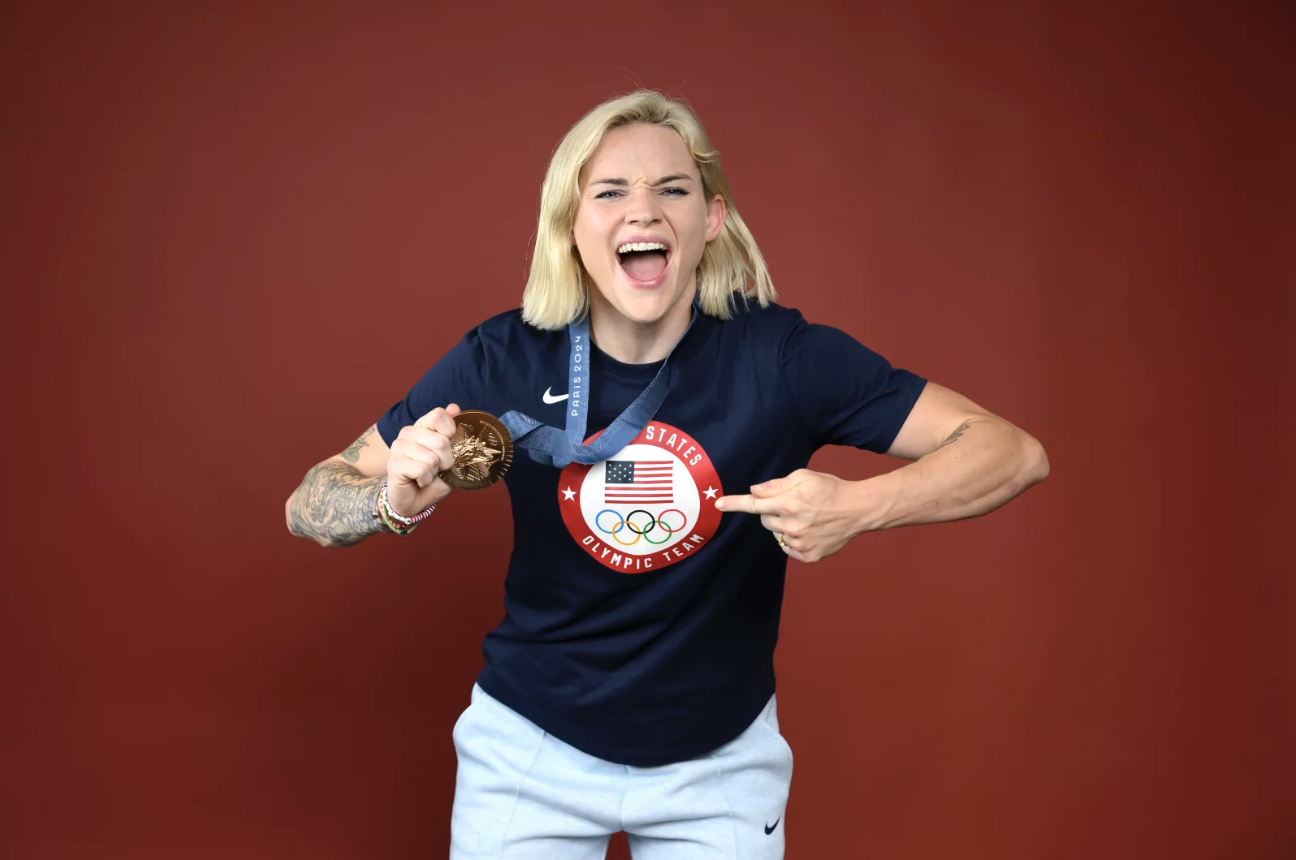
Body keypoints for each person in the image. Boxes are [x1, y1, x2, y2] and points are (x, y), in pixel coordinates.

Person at [285, 89, 1049, 859]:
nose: (642, 211)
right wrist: (389, 501)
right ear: (572, 227)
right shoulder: (503, 358)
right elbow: (310, 500)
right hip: (530, 744)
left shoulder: (780, 358)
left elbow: (1011, 451)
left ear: (710, 221)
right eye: (610, 191)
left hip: (719, 759)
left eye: (672, 189)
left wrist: (861, 507)